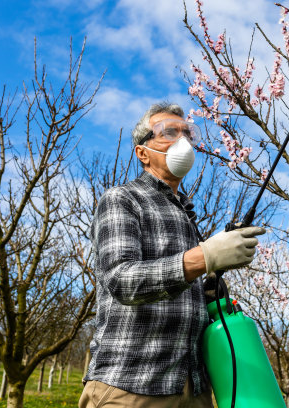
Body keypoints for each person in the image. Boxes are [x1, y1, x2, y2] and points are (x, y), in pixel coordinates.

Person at [79, 102, 265, 408]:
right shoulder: (122, 200)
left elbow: (180, 283)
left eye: (187, 133)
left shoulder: (186, 214)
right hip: (133, 383)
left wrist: (209, 286)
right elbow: (122, 280)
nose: (183, 141)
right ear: (143, 152)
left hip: (192, 388)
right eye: (169, 132)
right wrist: (205, 256)